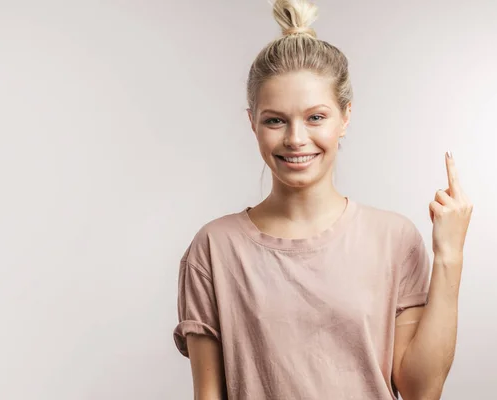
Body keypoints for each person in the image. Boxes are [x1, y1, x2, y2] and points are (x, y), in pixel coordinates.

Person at [172, 0, 473, 399]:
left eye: (316, 117)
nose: (296, 139)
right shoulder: (214, 248)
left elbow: (421, 391)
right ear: (252, 122)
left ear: (345, 117)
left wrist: (449, 255)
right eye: (275, 119)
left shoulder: (394, 239)